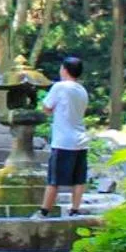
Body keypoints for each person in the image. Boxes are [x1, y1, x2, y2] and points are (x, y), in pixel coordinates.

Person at [41, 56, 89, 217]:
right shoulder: (82, 90)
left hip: (63, 141)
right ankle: (75, 209)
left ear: (65, 70)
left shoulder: (59, 87)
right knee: (78, 178)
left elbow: (47, 107)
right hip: (81, 139)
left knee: (54, 179)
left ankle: (44, 211)